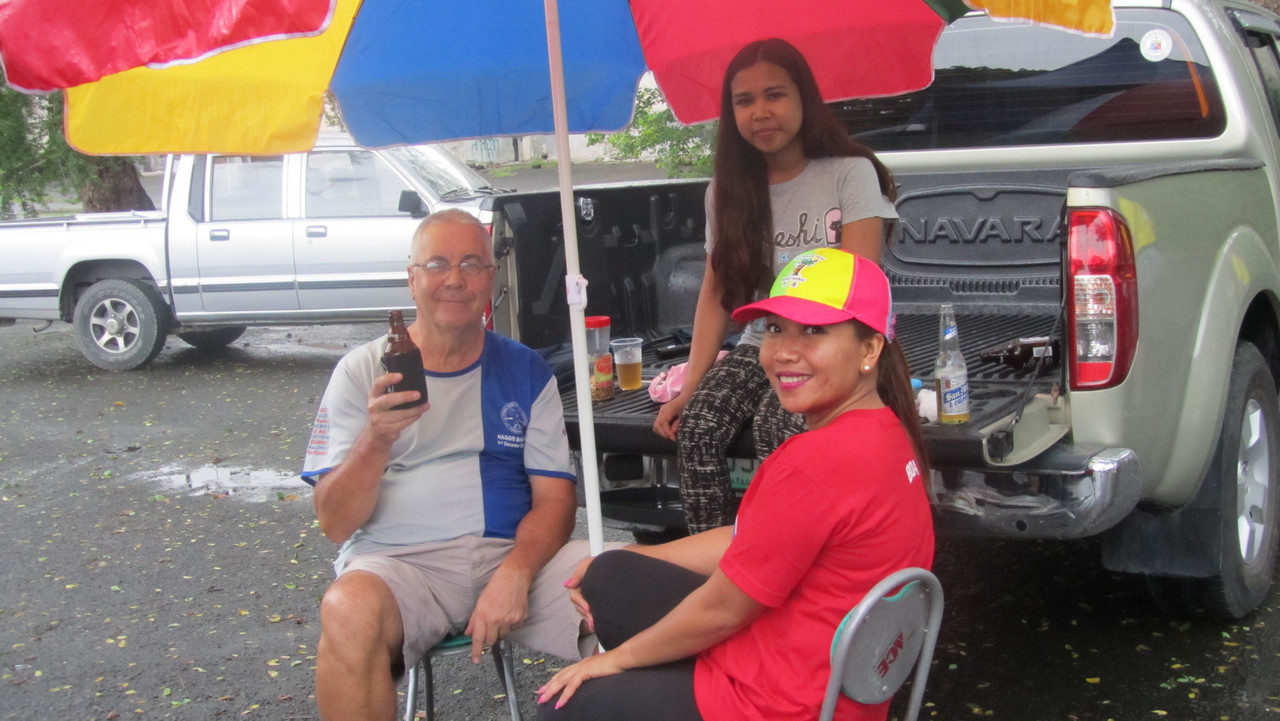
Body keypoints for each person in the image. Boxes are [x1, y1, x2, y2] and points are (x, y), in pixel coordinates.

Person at [536, 248, 934, 721]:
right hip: (822, 676)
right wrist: (631, 554)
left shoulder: (815, 463)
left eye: (814, 330)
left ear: (869, 349)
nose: (784, 351)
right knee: (610, 577)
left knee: (564, 707)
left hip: (779, 704)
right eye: (775, 328)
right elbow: (751, 539)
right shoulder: (887, 432)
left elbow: (723, 611)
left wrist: (613, 661)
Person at [302, 209, 593, 721]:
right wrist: (376, 438)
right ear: (411, 279)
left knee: (631, 582)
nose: (455, 279)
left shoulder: (525, 369)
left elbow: (556, 500)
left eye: (471, 264)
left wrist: (516, 571)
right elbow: (335, 523)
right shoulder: (361, 370)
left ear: (491, 280)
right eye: (437, 264)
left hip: (514, 557)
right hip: (400, 565)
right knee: (348, 611)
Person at [652, 37, 899, 534]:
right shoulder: (725, 191)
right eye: (744, 101)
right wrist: (691, 386)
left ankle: (792, 558)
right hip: (763, 341)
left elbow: (857, 288)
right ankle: (716, 564)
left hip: (835, 345)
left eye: (775, 95)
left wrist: (804, 355)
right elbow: (715, 293)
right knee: (698, 425)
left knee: (779, 424)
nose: (760, 112)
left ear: (804, 98)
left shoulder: (850, 174)